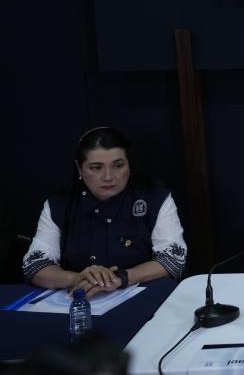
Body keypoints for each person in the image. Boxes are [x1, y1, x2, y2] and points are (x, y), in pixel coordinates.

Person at [22, 127, 187, 297]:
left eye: (118, 165)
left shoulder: (155, 198)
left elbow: (173, 260)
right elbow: (34, 265)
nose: (108, 177)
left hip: (142, 297)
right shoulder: (60, 204)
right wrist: (78, 278)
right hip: (79, 299)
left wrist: (120, 278)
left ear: (129, 164)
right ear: (79, 168)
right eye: (96, 167)